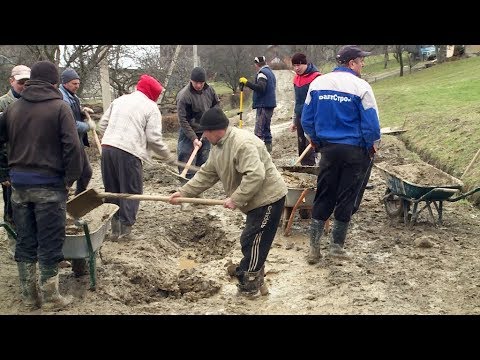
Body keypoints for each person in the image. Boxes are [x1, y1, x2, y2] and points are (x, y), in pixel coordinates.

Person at [168, 107, 287, 297]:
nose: (204, 136)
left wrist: (235, 198)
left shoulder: (242, 144)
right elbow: (206, 174)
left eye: (206, 131)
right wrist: (182, 192)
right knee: (254, 242)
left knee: (252, 241)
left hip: (269, 198)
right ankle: (258, 283)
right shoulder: (219, 147)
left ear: (217, 130)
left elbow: (256, 175)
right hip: (254, 200)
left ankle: (249, 286)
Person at [0, 60, 83, 310]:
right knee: (49, 240)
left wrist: (5, 171)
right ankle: (50, 298)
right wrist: (69, 179)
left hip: (20, 187)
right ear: (55, 83)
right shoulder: (59, 108)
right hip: (48, 185)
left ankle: (28, 296)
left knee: (26, 239)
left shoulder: (13, 110)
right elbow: (72, 146)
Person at [301, 45, 381, 263]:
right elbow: (371, 124)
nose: (363, 64)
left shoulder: (318, 83)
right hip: (355, 151)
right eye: (361, 61)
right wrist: (371, 146)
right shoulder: (361, 86)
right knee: (347, 196)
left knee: (324, 194)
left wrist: (317, 142)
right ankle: (336, 247)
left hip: (328, 150)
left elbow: (306, 120)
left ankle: (314, 249)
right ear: (351, 63)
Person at [98, 74, 175, 241]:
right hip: (128, 153)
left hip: (107, 148)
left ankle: (114, 230)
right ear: (153, 93)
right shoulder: (151, 107)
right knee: (131, 190)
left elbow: (102, 124)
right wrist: (168, 156)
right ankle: (125, 232)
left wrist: (113, 139)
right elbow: (154, 139)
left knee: (112, 190)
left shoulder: (120, 100)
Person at [0, 64, 31, 259]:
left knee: (28, 207)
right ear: (12, 81)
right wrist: (3, 172)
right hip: (10, 166)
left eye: (28, 82)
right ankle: (13, 243)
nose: (24, 86)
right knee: (12, 206)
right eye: (21, 82)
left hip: (28, 165)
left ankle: (27, 241)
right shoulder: (4, 104)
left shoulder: (32, 102)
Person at [176, 67, 220, 179]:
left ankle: (199, 184)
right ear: (191, 80)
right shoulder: (184, 96)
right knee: (186, 157)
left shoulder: (210, 91)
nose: (199, 85)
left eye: (201, 83)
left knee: (204, 160)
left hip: (205, 130)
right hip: (188, 131)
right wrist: (193, 138)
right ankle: (186, 182)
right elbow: (182, 120)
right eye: (196, 83)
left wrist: (212, 121)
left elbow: (216, 105)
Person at [59, 68, 95, 195]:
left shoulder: (73, 96)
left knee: (86, 172)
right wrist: (87, 126)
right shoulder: (62, 98)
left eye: (78, 83)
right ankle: (62, 198)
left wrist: (82, 111)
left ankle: (78, 200)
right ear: (65, 83)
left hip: (77, 141)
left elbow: (74, 113)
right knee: (71, 175)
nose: (77, 86)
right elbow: (70, 124)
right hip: (68, 143)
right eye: (74, 83)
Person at [239, 56, 277, 153]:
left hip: (263, 104)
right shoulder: (270, 73)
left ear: (256, 64)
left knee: (259, 131)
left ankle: (259, 154)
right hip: (270, 104)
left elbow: (260, 88)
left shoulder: (262, 73)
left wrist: (246, 83)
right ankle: (268, 152)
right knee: (266, 129)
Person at [290, 53, 321, 166]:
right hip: (300, 115)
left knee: (311, 141)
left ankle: (312, 164)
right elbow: (297, 101)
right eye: (294, 66)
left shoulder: (316, 77)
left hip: (312, 116)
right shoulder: (296, 79)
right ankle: (304, 166)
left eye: (299, 65)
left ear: (305, 64)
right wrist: (294, 121)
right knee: (301, 142)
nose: (296, 68)